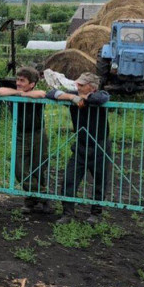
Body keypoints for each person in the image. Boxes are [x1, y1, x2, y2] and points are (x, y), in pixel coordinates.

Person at [46, 72, 111, 224]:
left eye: (82, 85)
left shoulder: (99, 95)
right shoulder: (74, 95)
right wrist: (72, 98)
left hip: (100, 146)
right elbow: (51, 93)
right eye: (78, 84)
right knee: (69, 179)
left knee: (100, 181)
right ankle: (67, 214)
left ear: (92, 87)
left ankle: (96, 213)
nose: (77, 86)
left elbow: (103, 98)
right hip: (81, 145)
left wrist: (85, 98)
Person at [0, 67, 52, 215]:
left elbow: (41, 94)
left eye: (22, 81)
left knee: (38, 167)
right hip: (21, 135)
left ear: (32, 84)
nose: (18, 83)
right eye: (17, 79)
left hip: (38, 134)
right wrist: (20, 93)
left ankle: (32, 201)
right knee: (19, 168)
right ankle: (43, 195)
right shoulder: (15, 91)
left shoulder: (37, 92)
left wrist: (21, 94)